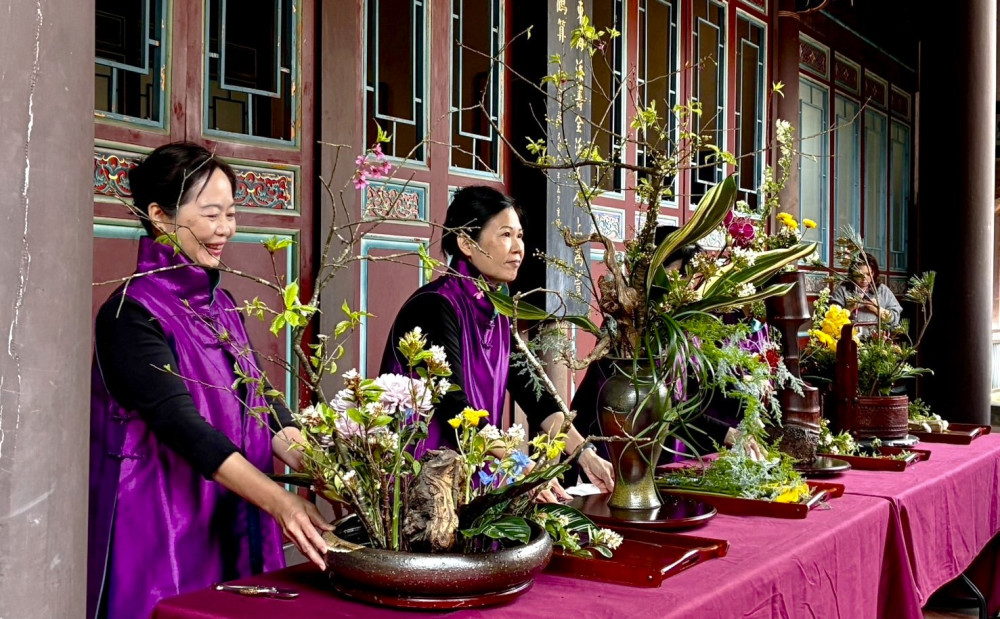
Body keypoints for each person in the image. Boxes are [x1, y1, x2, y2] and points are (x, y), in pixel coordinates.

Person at [88, 142, 330, 619]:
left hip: (231, 509)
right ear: (160, 215)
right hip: (165, 523)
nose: (225, 230)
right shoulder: (130, 313)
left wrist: (328, 472)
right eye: (211, 214)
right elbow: (180, 424)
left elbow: (261, 402)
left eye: (231, 214)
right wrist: (280, 500)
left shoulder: (221, 304)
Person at [379, 186, 616, 499]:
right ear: (465, 242)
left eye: (519, 235)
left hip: (472, 472)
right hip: (426, 483)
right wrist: (519, 465)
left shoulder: (496, 310)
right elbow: (454, 409)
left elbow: (533, 393)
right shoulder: (434, 306)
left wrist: (584, 454)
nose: (518, 247)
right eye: (506, 235)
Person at [569, 226, 766, 465]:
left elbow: (690, 393)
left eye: (692, 275)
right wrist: (725, 433)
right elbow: (661, 402)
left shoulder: (681, 323)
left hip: (656, 436)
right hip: (612, 440)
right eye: (678, 274)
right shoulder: (629, 327)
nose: (688, 284)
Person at [830, 251, 902, 331]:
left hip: (877, 340)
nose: (864, 279)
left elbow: (895, 320)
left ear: (874, 273)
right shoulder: (842, 290)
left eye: (868, 274)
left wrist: (877, 309)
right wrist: (850, 308)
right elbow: (832, 321)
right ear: (852, 273)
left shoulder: (883, 290)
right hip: (850, 339)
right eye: (859, 275)